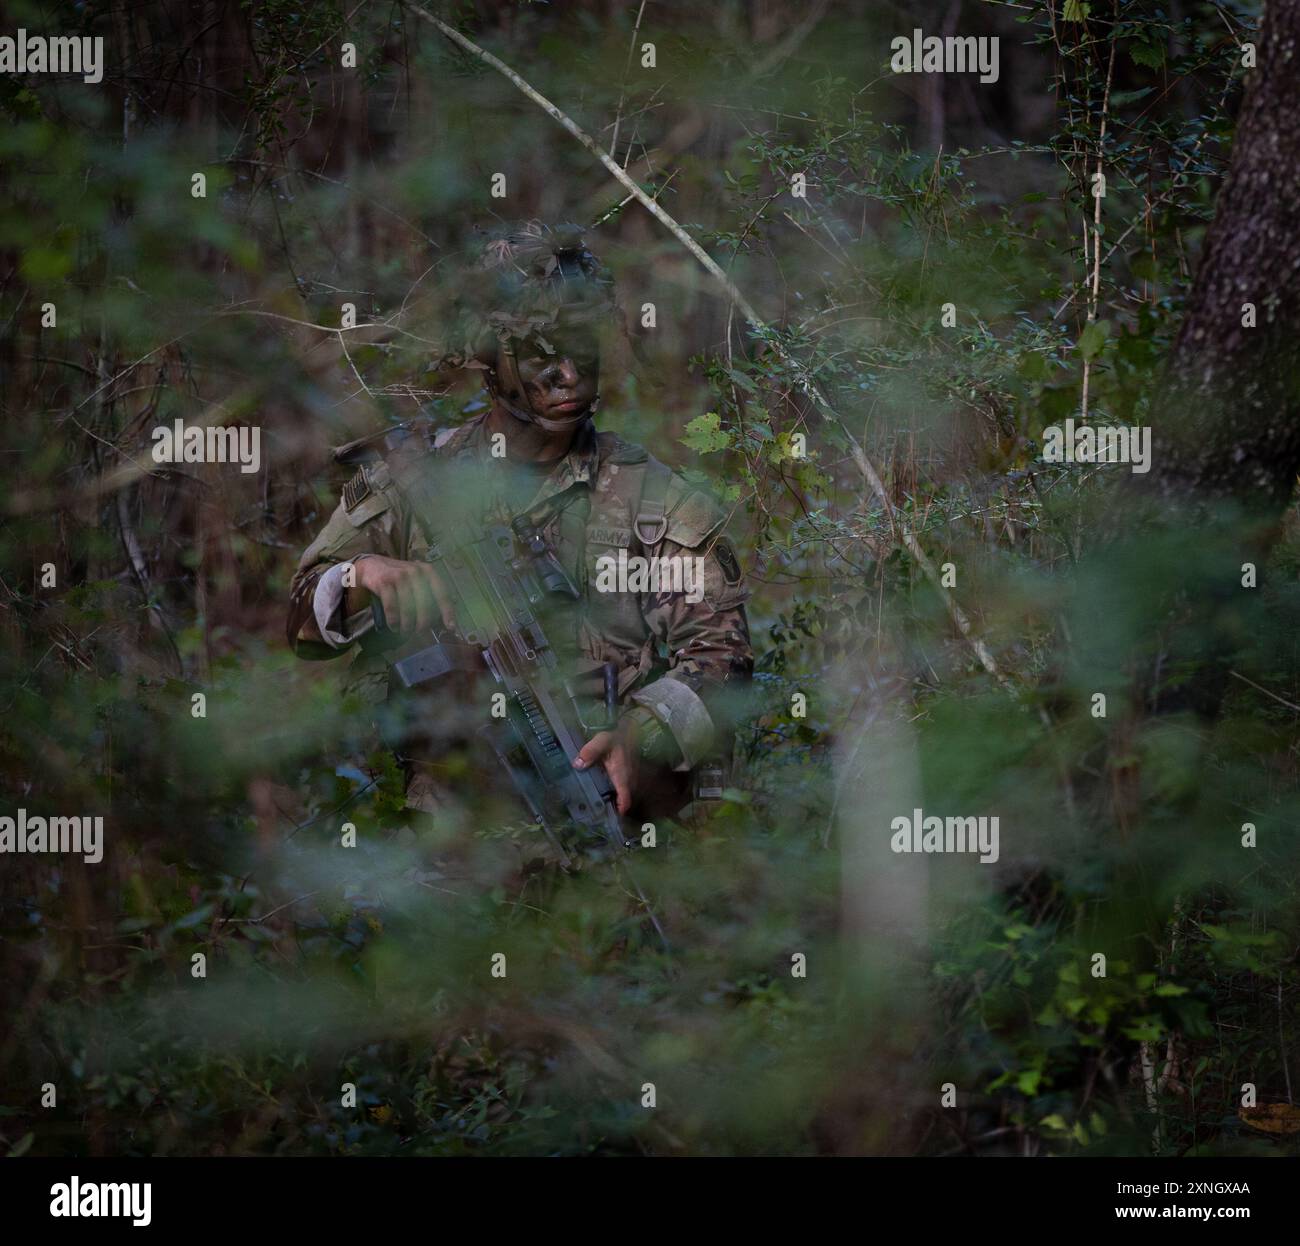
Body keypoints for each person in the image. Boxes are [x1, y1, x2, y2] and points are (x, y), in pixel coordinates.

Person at [286, 222, 751, 839]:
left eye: (582, 351)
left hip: (607, 813)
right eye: (541, 355)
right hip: (442, 841)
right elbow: (302, 627)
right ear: (489, 354)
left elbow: (725, 658)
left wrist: (640, 734)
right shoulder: (415, 479)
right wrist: (360, 576)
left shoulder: (654, 498)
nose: (568, 375)